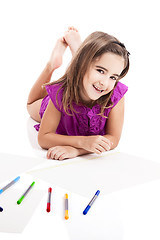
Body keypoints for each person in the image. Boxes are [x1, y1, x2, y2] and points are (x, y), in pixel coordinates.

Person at [27, 26, 130, 160]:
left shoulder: (115, 93)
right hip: (66, 100)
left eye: (113, 77)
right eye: (100, 71)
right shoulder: (60, 93)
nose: (105, 83)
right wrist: (82, 142)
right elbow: (44, 138)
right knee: (30, 105)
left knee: (88, 77)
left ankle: (80, 52)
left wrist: (77, 150)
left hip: (83, 74)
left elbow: (113, 139)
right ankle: (51, 65)